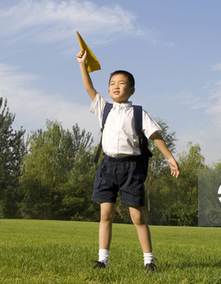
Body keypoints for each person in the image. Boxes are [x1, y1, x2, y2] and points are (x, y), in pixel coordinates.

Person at [76, 49, 180, 271]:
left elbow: (155, 136)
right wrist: (83, 65)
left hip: (131, 168)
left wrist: (170, 158)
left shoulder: (138, 113)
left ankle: (149, 261)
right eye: (112, 82)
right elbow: (88, 88)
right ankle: (102, 259)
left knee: (137, 216)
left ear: (131, 90)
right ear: (108, 89)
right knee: (106, 214)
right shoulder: (104, 108)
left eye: (121, 83)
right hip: (107, 167)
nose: (116, 86)